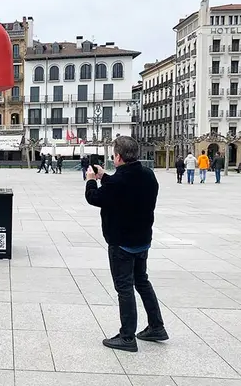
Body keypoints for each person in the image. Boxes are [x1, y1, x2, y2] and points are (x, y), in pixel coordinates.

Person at [84, 136, 168, 352]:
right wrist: (105, 176)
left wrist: (91, 180)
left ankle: (127, 337)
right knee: (142, 282)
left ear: (118, 157)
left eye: (114, 155)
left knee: (124, 288)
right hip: (142, 240)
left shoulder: (118, 183)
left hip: (121, 243)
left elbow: (94, 198)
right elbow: (124, 189)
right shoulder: (148, 175)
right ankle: (156, 326)